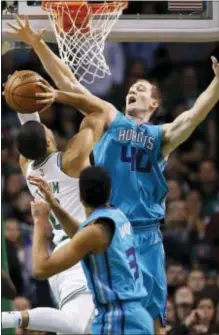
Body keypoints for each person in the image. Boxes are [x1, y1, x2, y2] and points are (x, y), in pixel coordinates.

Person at [7, 15, 219, 335]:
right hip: (109, 229)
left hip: (145, 235)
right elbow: (71, 85)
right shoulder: (110, 118)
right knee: (105, 319)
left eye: (142, 89)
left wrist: (217, 85)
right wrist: (38, 44)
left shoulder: (162, 137)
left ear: (156, 103)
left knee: (154, 324)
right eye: (132, 88)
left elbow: (191, 117)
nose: (134, 89)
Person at [2, 82, 107, 333]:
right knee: (75, 326)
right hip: (78, 253)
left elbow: (30, 128)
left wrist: (19, 90)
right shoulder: (71, 159)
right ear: (49, 138)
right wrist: (56, 95)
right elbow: (98, 113)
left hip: (61, 256)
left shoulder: (26, 165)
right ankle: (8, 319)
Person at [29, 166, 153, 335]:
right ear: (109, 192)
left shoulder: (95, 233)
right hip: (136, 316)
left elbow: (40, 270)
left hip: (118, 320)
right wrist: (53, 204)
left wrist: (39, 220)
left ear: (80, 197)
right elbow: (80, 235)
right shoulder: (117, 216)